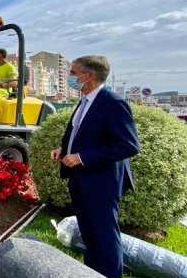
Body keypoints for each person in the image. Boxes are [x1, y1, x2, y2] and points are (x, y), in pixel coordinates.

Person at [50, 55, 139, 278]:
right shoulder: (85, 101)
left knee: (105, 238)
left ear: (88, 75)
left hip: (101, 183)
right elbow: (78, 132)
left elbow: (128, 145)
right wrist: (63, 149)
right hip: (81, 179)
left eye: (72, 73)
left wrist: (81, 157)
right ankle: (92, 272)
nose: (70, 77)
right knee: (90, 234)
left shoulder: (114, 103)